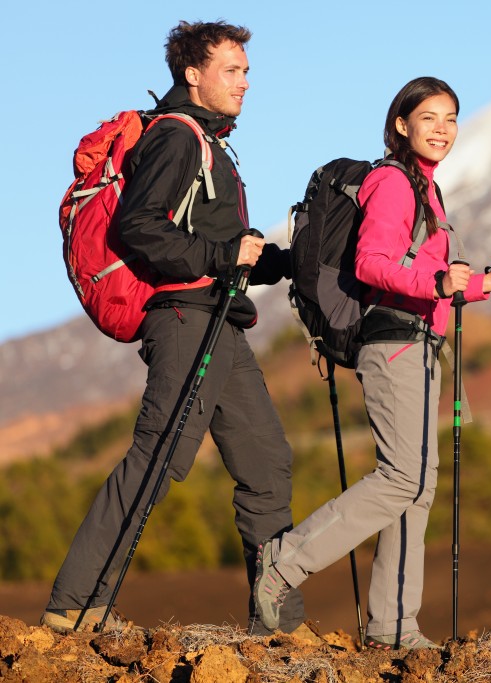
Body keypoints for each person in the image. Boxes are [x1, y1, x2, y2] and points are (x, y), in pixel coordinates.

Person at [42, 20, 314, 640]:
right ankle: (73, 608)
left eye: (246, 70)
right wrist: (224, 259)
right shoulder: (176, 137)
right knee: (159, 456)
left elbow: (225, 248)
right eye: (232, 70)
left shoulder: (213, 145)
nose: (246, 81)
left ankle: (278, 623)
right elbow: (140, 227)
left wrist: (287, 259)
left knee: (267, 463)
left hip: (222, 324)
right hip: (187, 320)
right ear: (193, 75)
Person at [252, 76, 491, 649]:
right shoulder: (394, 182)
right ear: (402, 125)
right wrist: (437, 279)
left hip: (421, 343)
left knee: (416, 489)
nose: (443, 129)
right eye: (429, 118)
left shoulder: (429, 193)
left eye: (451, 118)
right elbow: (374, 264)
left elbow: (433, 284)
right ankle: (283, 563)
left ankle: (394, 627)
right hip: (394, 344)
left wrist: (486, 284)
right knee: (402, 478)